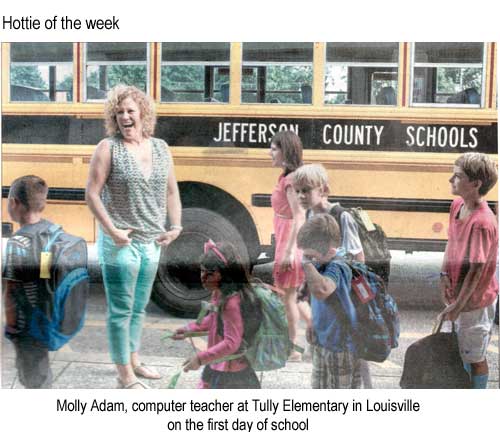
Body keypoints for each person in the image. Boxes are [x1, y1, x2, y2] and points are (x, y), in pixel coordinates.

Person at [85, 85, 182, 389]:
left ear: (142, 113)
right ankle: (124, 373)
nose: (125, 117)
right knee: (120, 309)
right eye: (119, 112)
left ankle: (134, 360)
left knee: (138, 307)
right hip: (120, 242)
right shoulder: (107, 147)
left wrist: (176, 226)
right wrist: (112, 231)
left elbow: (171, 190)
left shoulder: (161, 148)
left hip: (151, 242)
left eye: (130, 110)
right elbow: (91, 193)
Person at [292, 163, 372, 388]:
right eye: (297, 191)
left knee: (346, 372)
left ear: (323, 189)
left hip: (342, 298)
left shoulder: (341, 216)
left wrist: (358, 301)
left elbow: (358, 258)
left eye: (306, 190)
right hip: (322, 299)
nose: (301, 196)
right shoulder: (309, 215)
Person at [438, 152, 498, 389]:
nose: (450, 179)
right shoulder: (457, 205)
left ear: (475, 184)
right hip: (459, 298)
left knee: (475, 356)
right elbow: (451, 242)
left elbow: (476, 270)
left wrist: (458, 306)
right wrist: (443, 274)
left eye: (458, 176)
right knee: (461, 349)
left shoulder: (482, 223)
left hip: (475, 303)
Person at [173, 241, 261, 389]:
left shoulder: (231, 303)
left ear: (225, 273)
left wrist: (200, 359)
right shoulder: (219, 293)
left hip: (231, 374)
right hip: (217, 363)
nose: (203, 277)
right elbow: (214, 319)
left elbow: (231, 343)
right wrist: (189, 329)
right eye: (202, 271)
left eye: (210, 273)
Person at [297, 213, 361, 388]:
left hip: (340, 346)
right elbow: (306, 297)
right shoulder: (321, 261)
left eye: (312, 256)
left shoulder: (339, 265)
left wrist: (307, 264)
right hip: (322, 341)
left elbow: (323, 290)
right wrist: (311, 322)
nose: (309, 260)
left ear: (331, 251)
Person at [2, 175, 53, 388]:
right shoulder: (51, 232)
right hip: (45, 318)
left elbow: (11, 289)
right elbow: (46, 276)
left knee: (30, 374)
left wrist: (12, 326)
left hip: (25, 323)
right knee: (41, 370)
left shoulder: (17, 243)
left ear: (14, 203)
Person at [269, 130, 306, 362]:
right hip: (285, 238)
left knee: (288, 298)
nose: (269, 153)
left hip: (289, 242)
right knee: (291, 296)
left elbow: (299, 215)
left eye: (274, 148)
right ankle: (310, 338)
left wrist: (290, 251)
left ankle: (292, 348)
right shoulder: (285, 177)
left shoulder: (291, 181)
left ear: (285, 151)